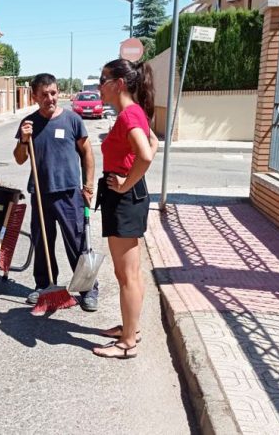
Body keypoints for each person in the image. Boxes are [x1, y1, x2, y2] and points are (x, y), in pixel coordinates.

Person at [13, 73, 98, 311]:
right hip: (40, 194)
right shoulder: (28, 123)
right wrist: (23, 140)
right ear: (34, 97)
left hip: (69, 193)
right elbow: (19, 159)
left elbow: (87, 153)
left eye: (53, 93)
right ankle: (44, 286)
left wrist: (88, 186)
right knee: (42, 244)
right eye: (44, 95)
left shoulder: (72, 120)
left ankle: (88, 290)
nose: (50, 98)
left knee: (77, 244)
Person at [93, 59, 159, 359]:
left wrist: (124, 184)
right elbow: (153, 143)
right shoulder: (134, 113)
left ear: (119, 83)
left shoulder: (130, 114)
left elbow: (145, 154)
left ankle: (127, 343)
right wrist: (129, 180)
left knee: (127, 274)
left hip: (124, 199)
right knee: (130, 272)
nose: (99, 86)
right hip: (127, 196)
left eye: (103, 80)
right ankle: (131, 328)